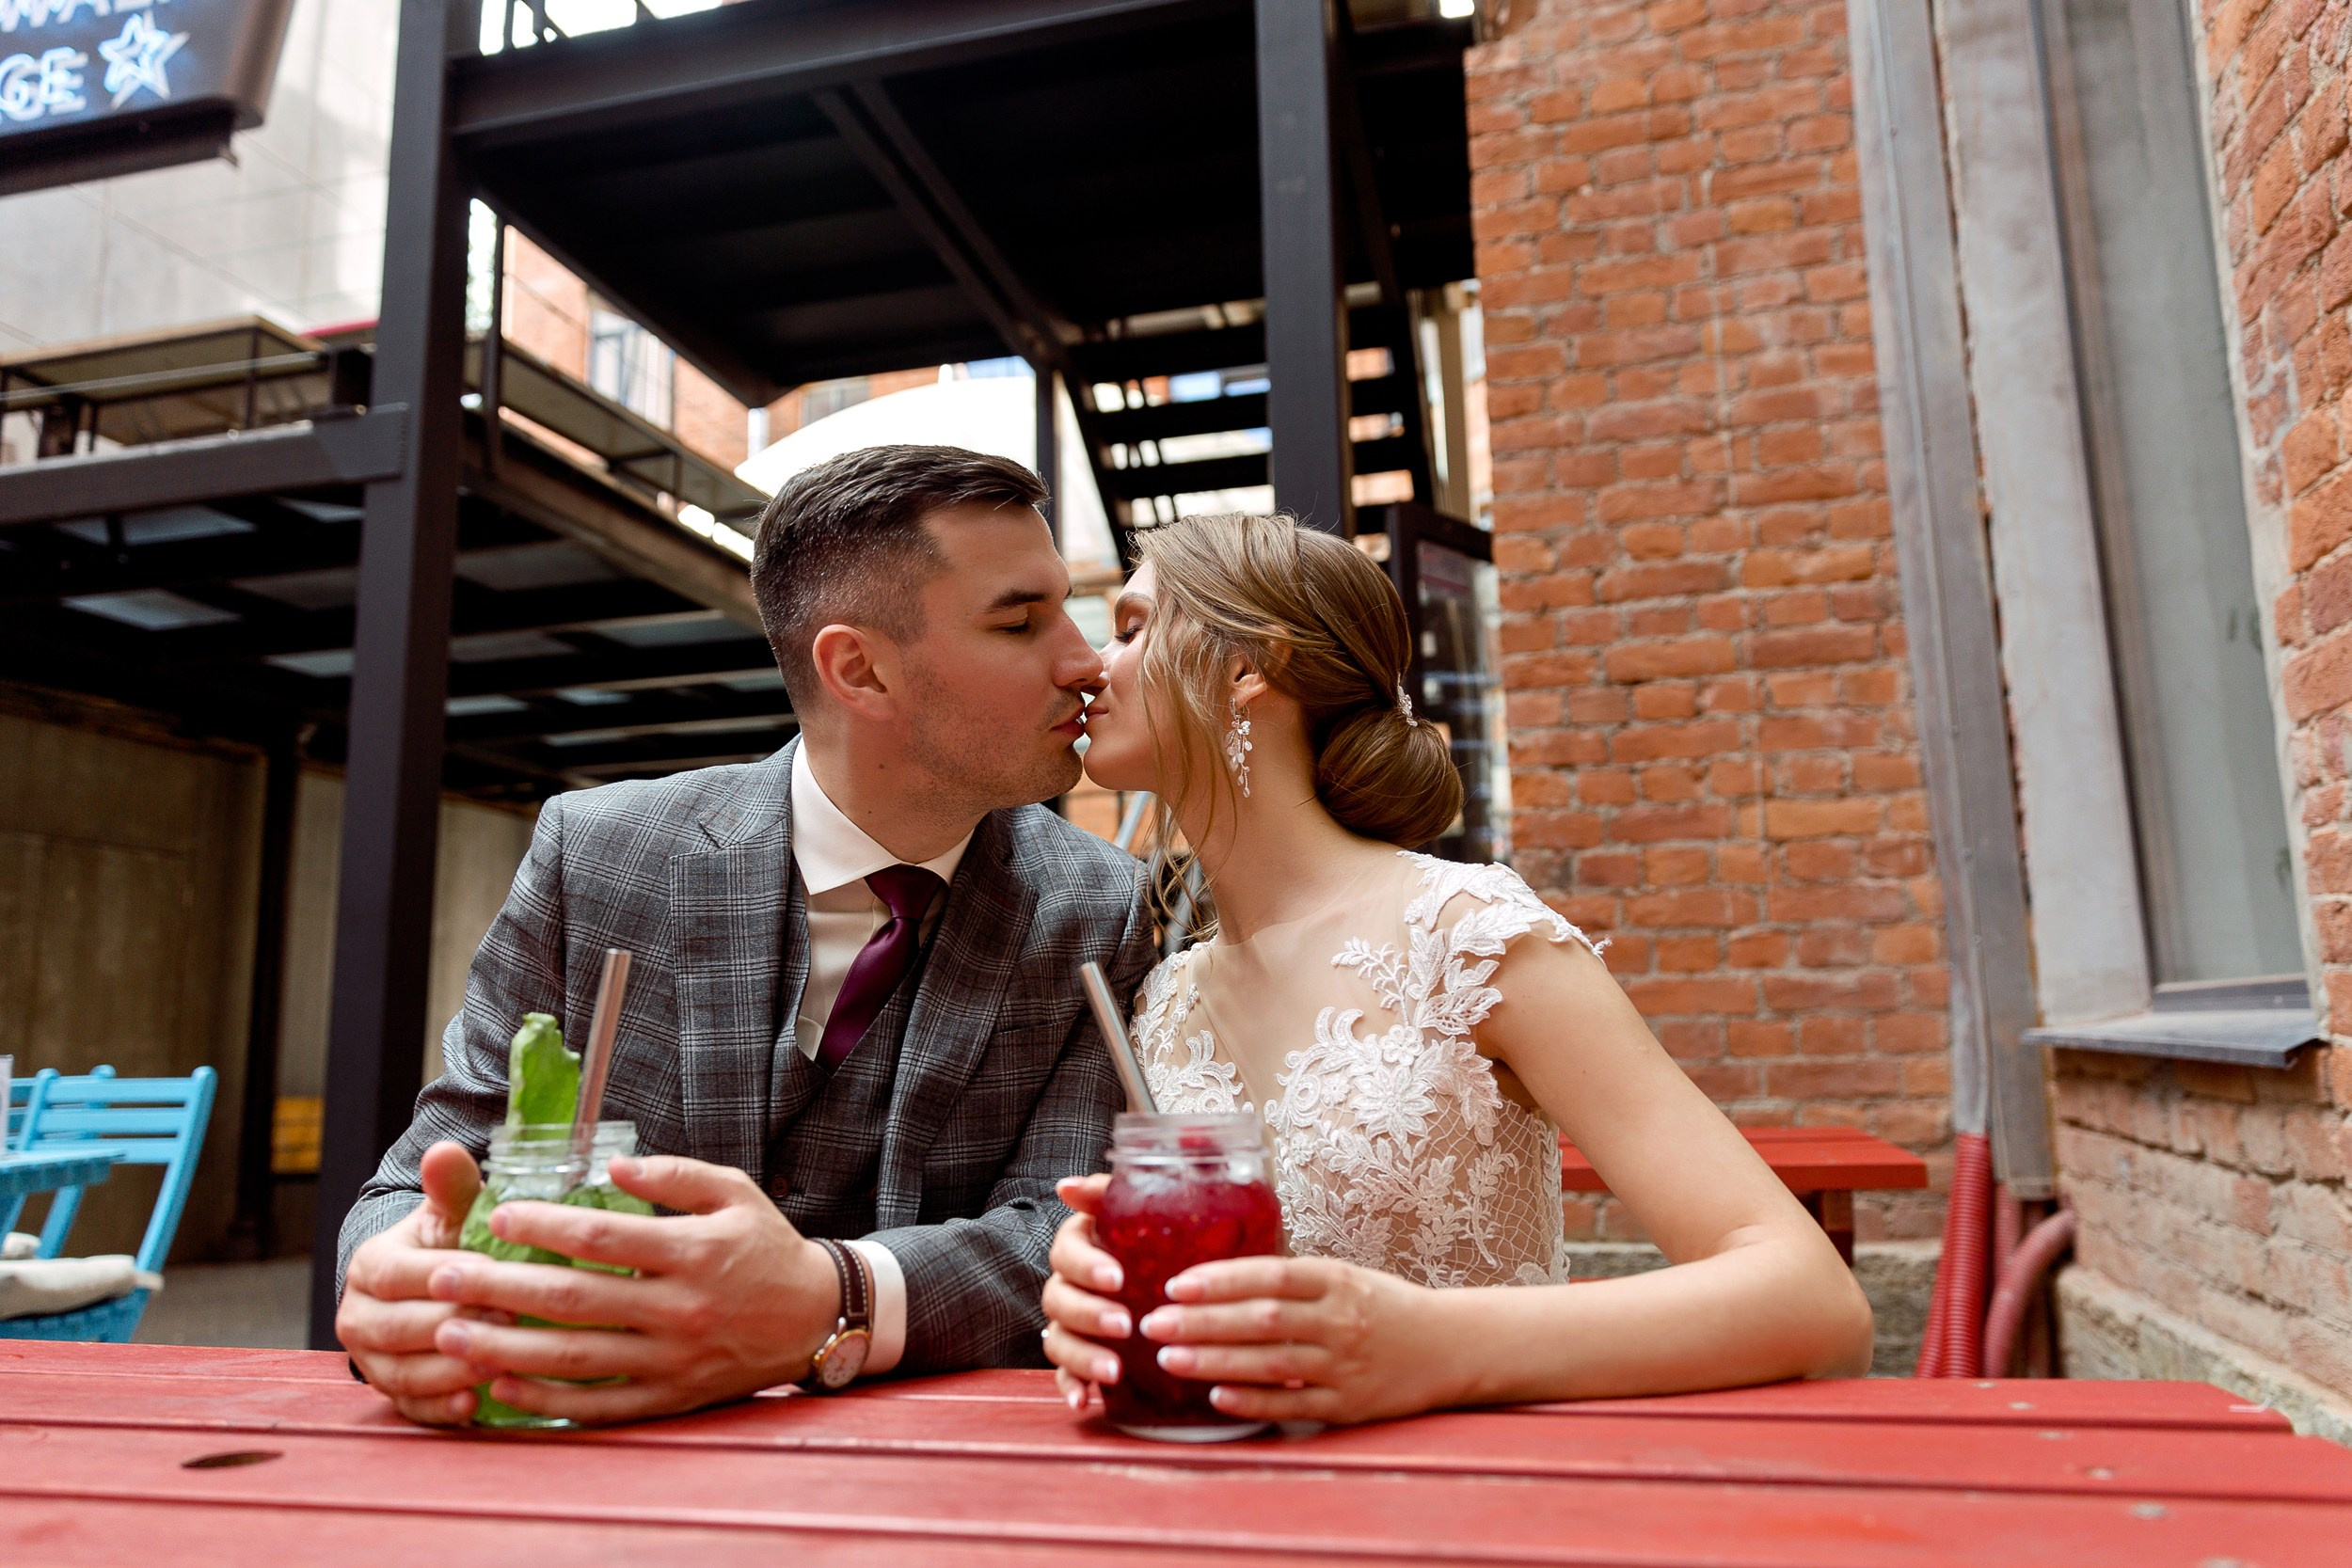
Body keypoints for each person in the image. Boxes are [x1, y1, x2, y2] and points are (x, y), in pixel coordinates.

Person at [337, 445, 1156, 1426]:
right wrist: (391, 1270)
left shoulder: (1102, 906)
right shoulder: (596, 852)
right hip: (596, 1463)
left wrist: (835, 1292)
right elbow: (418, 1177)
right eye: (1021, 619)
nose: (1083, 659)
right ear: (859, 668)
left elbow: (1064, 1234)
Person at [1041, 513, 1874, 1425]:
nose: (1092, 665)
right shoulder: (1163, 999)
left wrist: (1433, 1345)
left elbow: (1814, 1301)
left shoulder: (1469, 936)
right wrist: (1093, 1297)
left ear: (1248, 668)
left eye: (1128, 628)